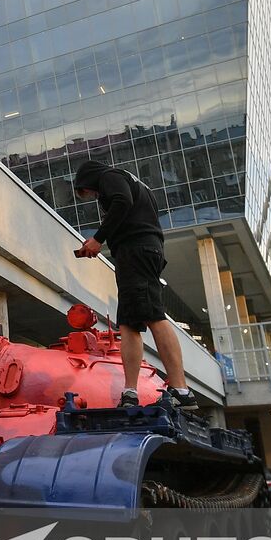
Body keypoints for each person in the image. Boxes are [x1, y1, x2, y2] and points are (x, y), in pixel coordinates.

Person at [71, 160, 189, 404]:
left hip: (136, 251)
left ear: (89, 180)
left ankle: (181, 389)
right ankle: (130, 391)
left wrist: (98, 239)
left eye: (89, 192)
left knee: (154, 315)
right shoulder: (132, 182)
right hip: (141, 252)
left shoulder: (110, 177)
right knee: (129, 324)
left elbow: (122, 202)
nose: (94, 196)